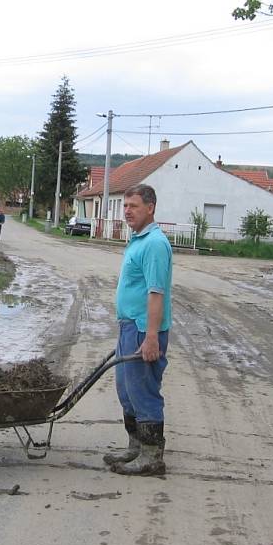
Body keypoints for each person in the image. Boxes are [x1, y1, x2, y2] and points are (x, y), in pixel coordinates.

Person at [104, 184, 172, 476]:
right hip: (130, 327)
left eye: (133, 206)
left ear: (151, 208)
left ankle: (152, 457)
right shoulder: (138, 239)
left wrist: (152, 338)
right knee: (126, 391)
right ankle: (136, 447)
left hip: (145, 330)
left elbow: (156, 293)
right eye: (125, 206)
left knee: (143, 392)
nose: (127, 211)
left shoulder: (155, 244)